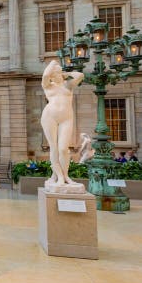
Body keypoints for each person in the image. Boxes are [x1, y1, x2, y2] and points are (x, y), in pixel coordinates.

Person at [40, 60, 84, 189]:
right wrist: (53, 63)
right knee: (53, 148)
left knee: (64, 149)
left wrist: (65, 73)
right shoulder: (48, 86)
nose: (57, 75)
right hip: (49, 116)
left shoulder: (68, 85)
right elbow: (45, 75)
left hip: (66, 118)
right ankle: (58, 176)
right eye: (56, 73)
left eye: (59, 73)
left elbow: (80, 75)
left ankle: (65, 176)